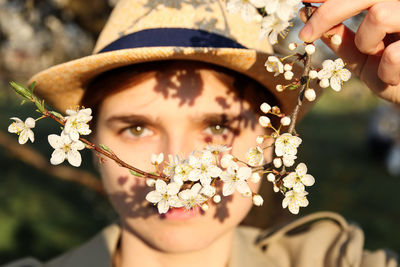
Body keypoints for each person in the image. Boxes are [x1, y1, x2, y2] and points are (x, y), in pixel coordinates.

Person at [4, 0, 400, 266]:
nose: (179, 172)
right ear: (90, 145)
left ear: (271, 144)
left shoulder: (330, 258)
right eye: (137, 128)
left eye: (217, 126)